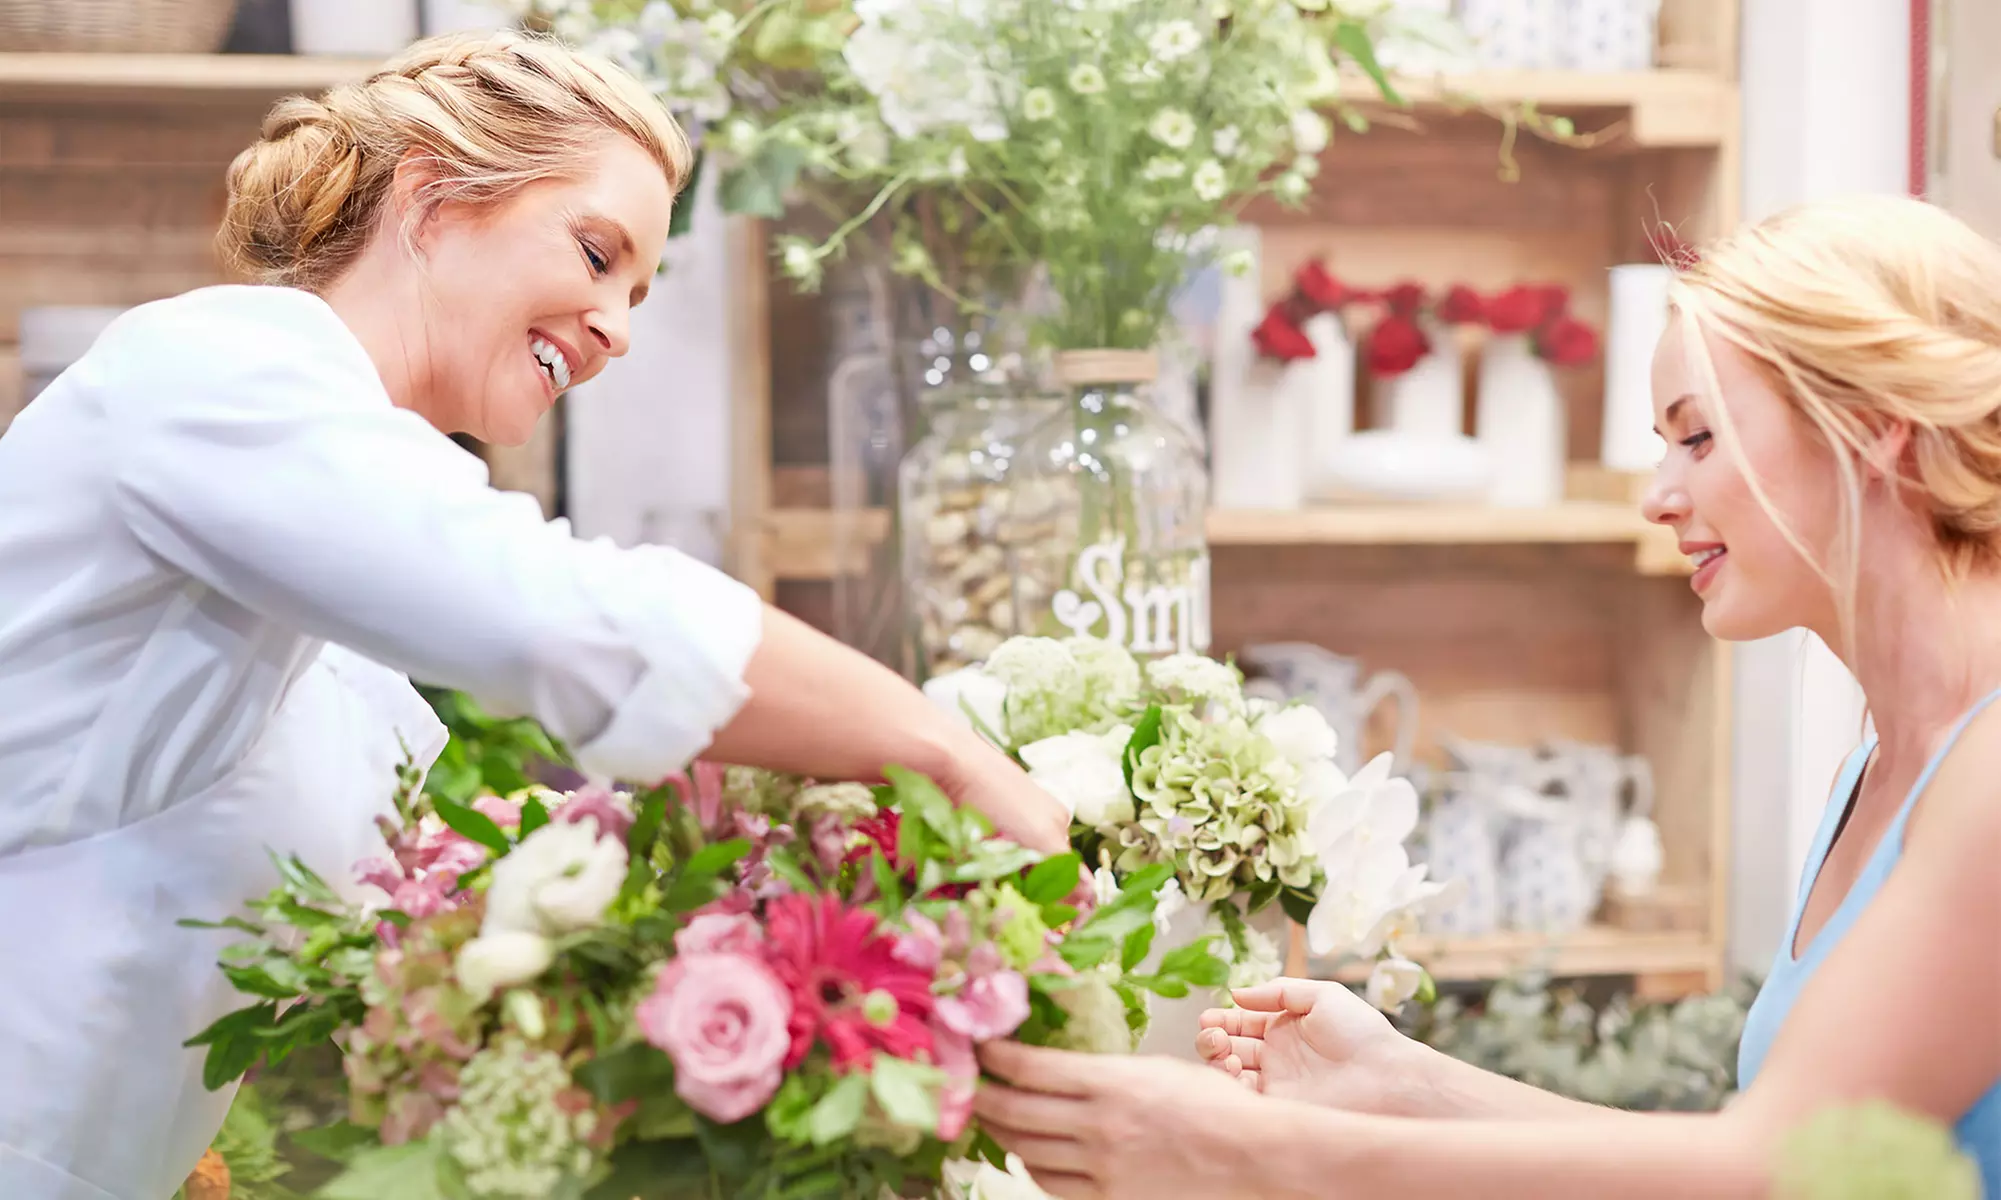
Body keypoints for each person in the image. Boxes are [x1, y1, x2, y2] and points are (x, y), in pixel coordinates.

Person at [0, 30, 1067, 1200]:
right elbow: (562, 622)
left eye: (638, 293)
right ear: (433, 197)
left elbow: (370, 867)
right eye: (597, 251)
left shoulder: (320, 541)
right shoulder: (216, 370)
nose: (617, 326)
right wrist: (940, 751)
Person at [973, 194, 2001, 1199]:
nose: (1657, 494)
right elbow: (1740, 1157)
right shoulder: (1879, 768)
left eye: (1698, 438)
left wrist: (1257, 1158)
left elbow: (1773, 1173)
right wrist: (1404, 1088)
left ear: (1873, 429)